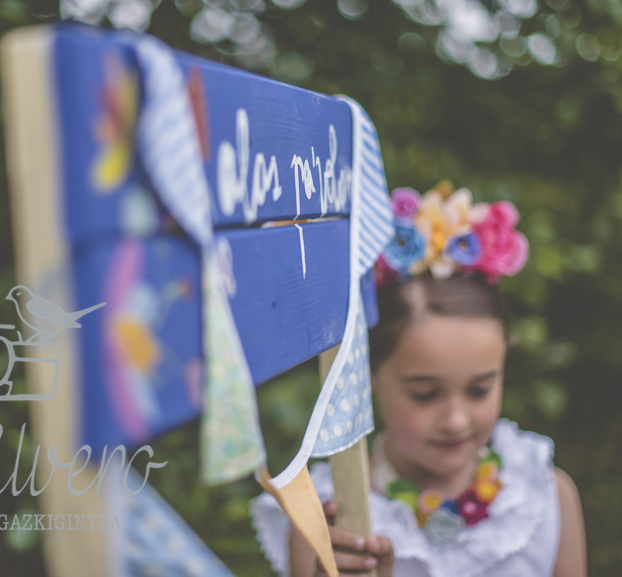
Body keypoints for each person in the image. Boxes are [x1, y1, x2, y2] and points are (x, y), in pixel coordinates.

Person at [250, 183, 588, 577]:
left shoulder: (543, 498)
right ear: (369, 374)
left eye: (480, 389)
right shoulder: (331, 520)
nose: (456, 420)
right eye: (425, 394)